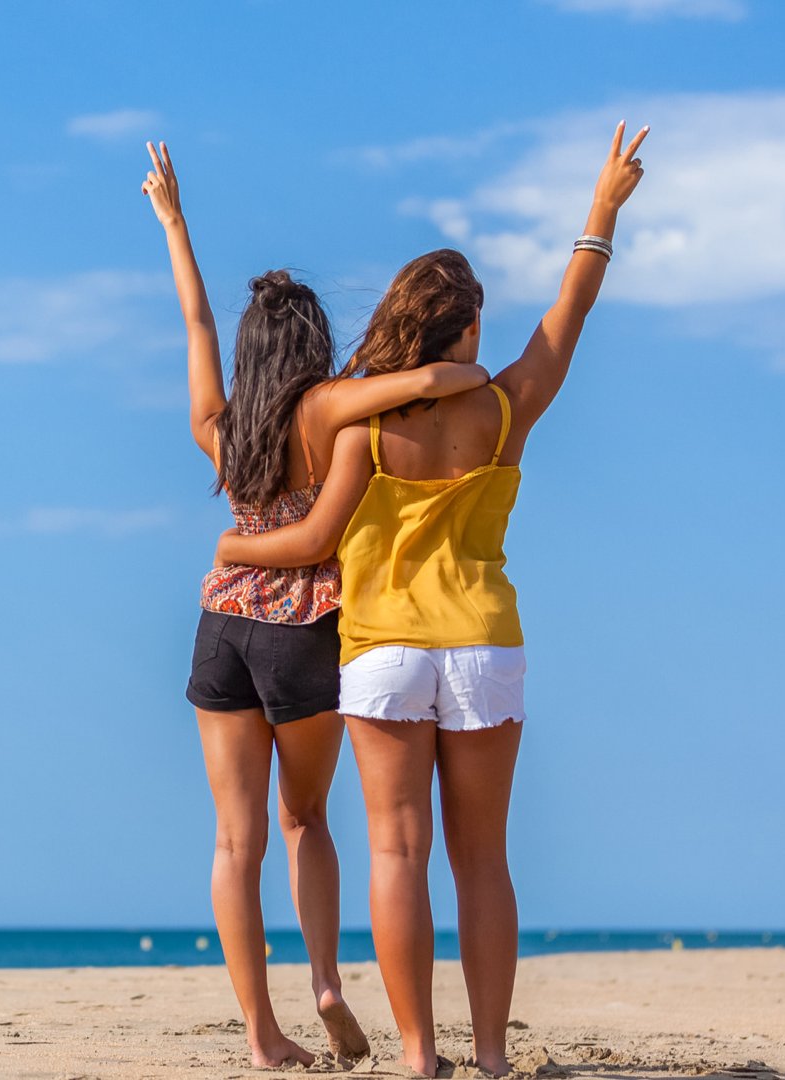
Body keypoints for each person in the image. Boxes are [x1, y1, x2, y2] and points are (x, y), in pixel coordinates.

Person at [214, 122, 650, 1076]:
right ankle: (490, 1056)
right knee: (483, 859)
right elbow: (568, 316)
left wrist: (236, 542)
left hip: (383, 652)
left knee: (397, 855)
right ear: (464, 330)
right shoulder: (505, 409)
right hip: (485, 644)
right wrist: (602, 211)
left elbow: (316, 539)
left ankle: (418, 1057)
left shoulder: (362, 429)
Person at [142, 141, 490, 1067]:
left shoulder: (214, 429)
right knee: (306, 821)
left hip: (223, 634)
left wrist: (174, 224)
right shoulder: (329, 408)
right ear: (311, 349)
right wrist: (462, 376)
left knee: (233, 839)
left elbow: (195, 324)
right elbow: (418, 381)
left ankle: (261, 1032)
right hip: (305, 638)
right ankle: (327, 981)